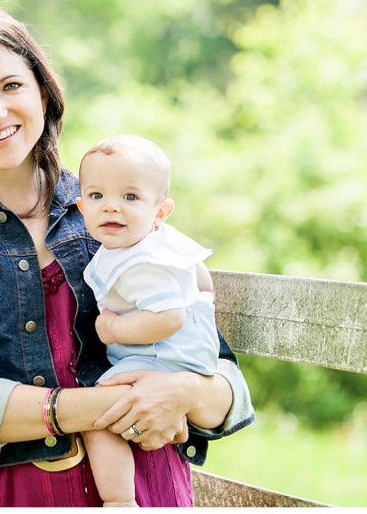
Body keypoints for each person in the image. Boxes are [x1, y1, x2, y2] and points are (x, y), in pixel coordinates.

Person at [0, 6, 254, 507]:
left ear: (43, 94)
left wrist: (184, 395)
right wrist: (112, 404)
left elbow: (224, 377)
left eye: (11, 87)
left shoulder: (112, 210)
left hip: (141, 488)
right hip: (3, 491)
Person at [74, 134, 220, 507]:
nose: (111, 208)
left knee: (98, 414)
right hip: (184, 352)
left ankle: (119, 499)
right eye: (96, 197)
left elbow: (168, 317)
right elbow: (201, 278)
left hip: (163, 355)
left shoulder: (142, 263)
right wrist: (201, 300)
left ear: (160, 211)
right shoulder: (158, 243)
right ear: (80, 206)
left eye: (130, 197)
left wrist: (113, 329)